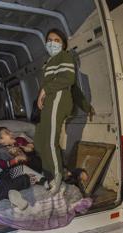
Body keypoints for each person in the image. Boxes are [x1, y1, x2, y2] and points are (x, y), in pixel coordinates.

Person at [34, 28, 92, 194]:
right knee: (40, 141)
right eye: (50, 40)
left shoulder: (65, 56)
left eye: (57, 40)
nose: (52, 43)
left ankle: (57, 176)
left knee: (51, 140)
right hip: (51, 102)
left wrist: (44, 92)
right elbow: (74, 88)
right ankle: (50, 175)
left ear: (64, 44)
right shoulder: (48, 63)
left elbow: (68, 80)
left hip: (58, 99)